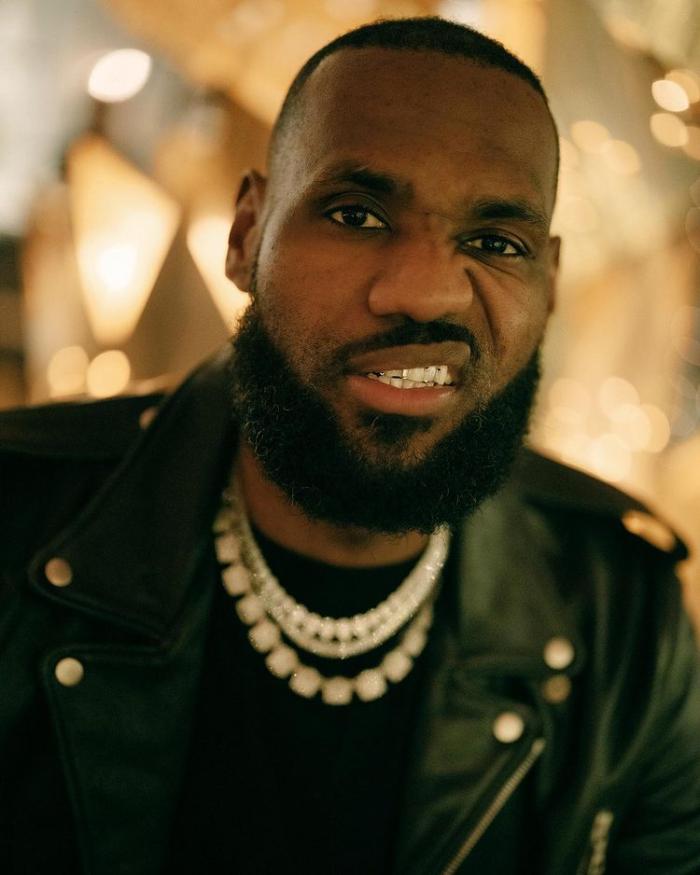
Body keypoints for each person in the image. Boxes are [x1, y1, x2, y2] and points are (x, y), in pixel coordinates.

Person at [1, 15, 699, 875]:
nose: (425, 293)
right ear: (247, 235)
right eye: (357, 214)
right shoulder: (18, 521)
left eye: (494, 242)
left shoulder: (625, 613)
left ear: (547, 285)